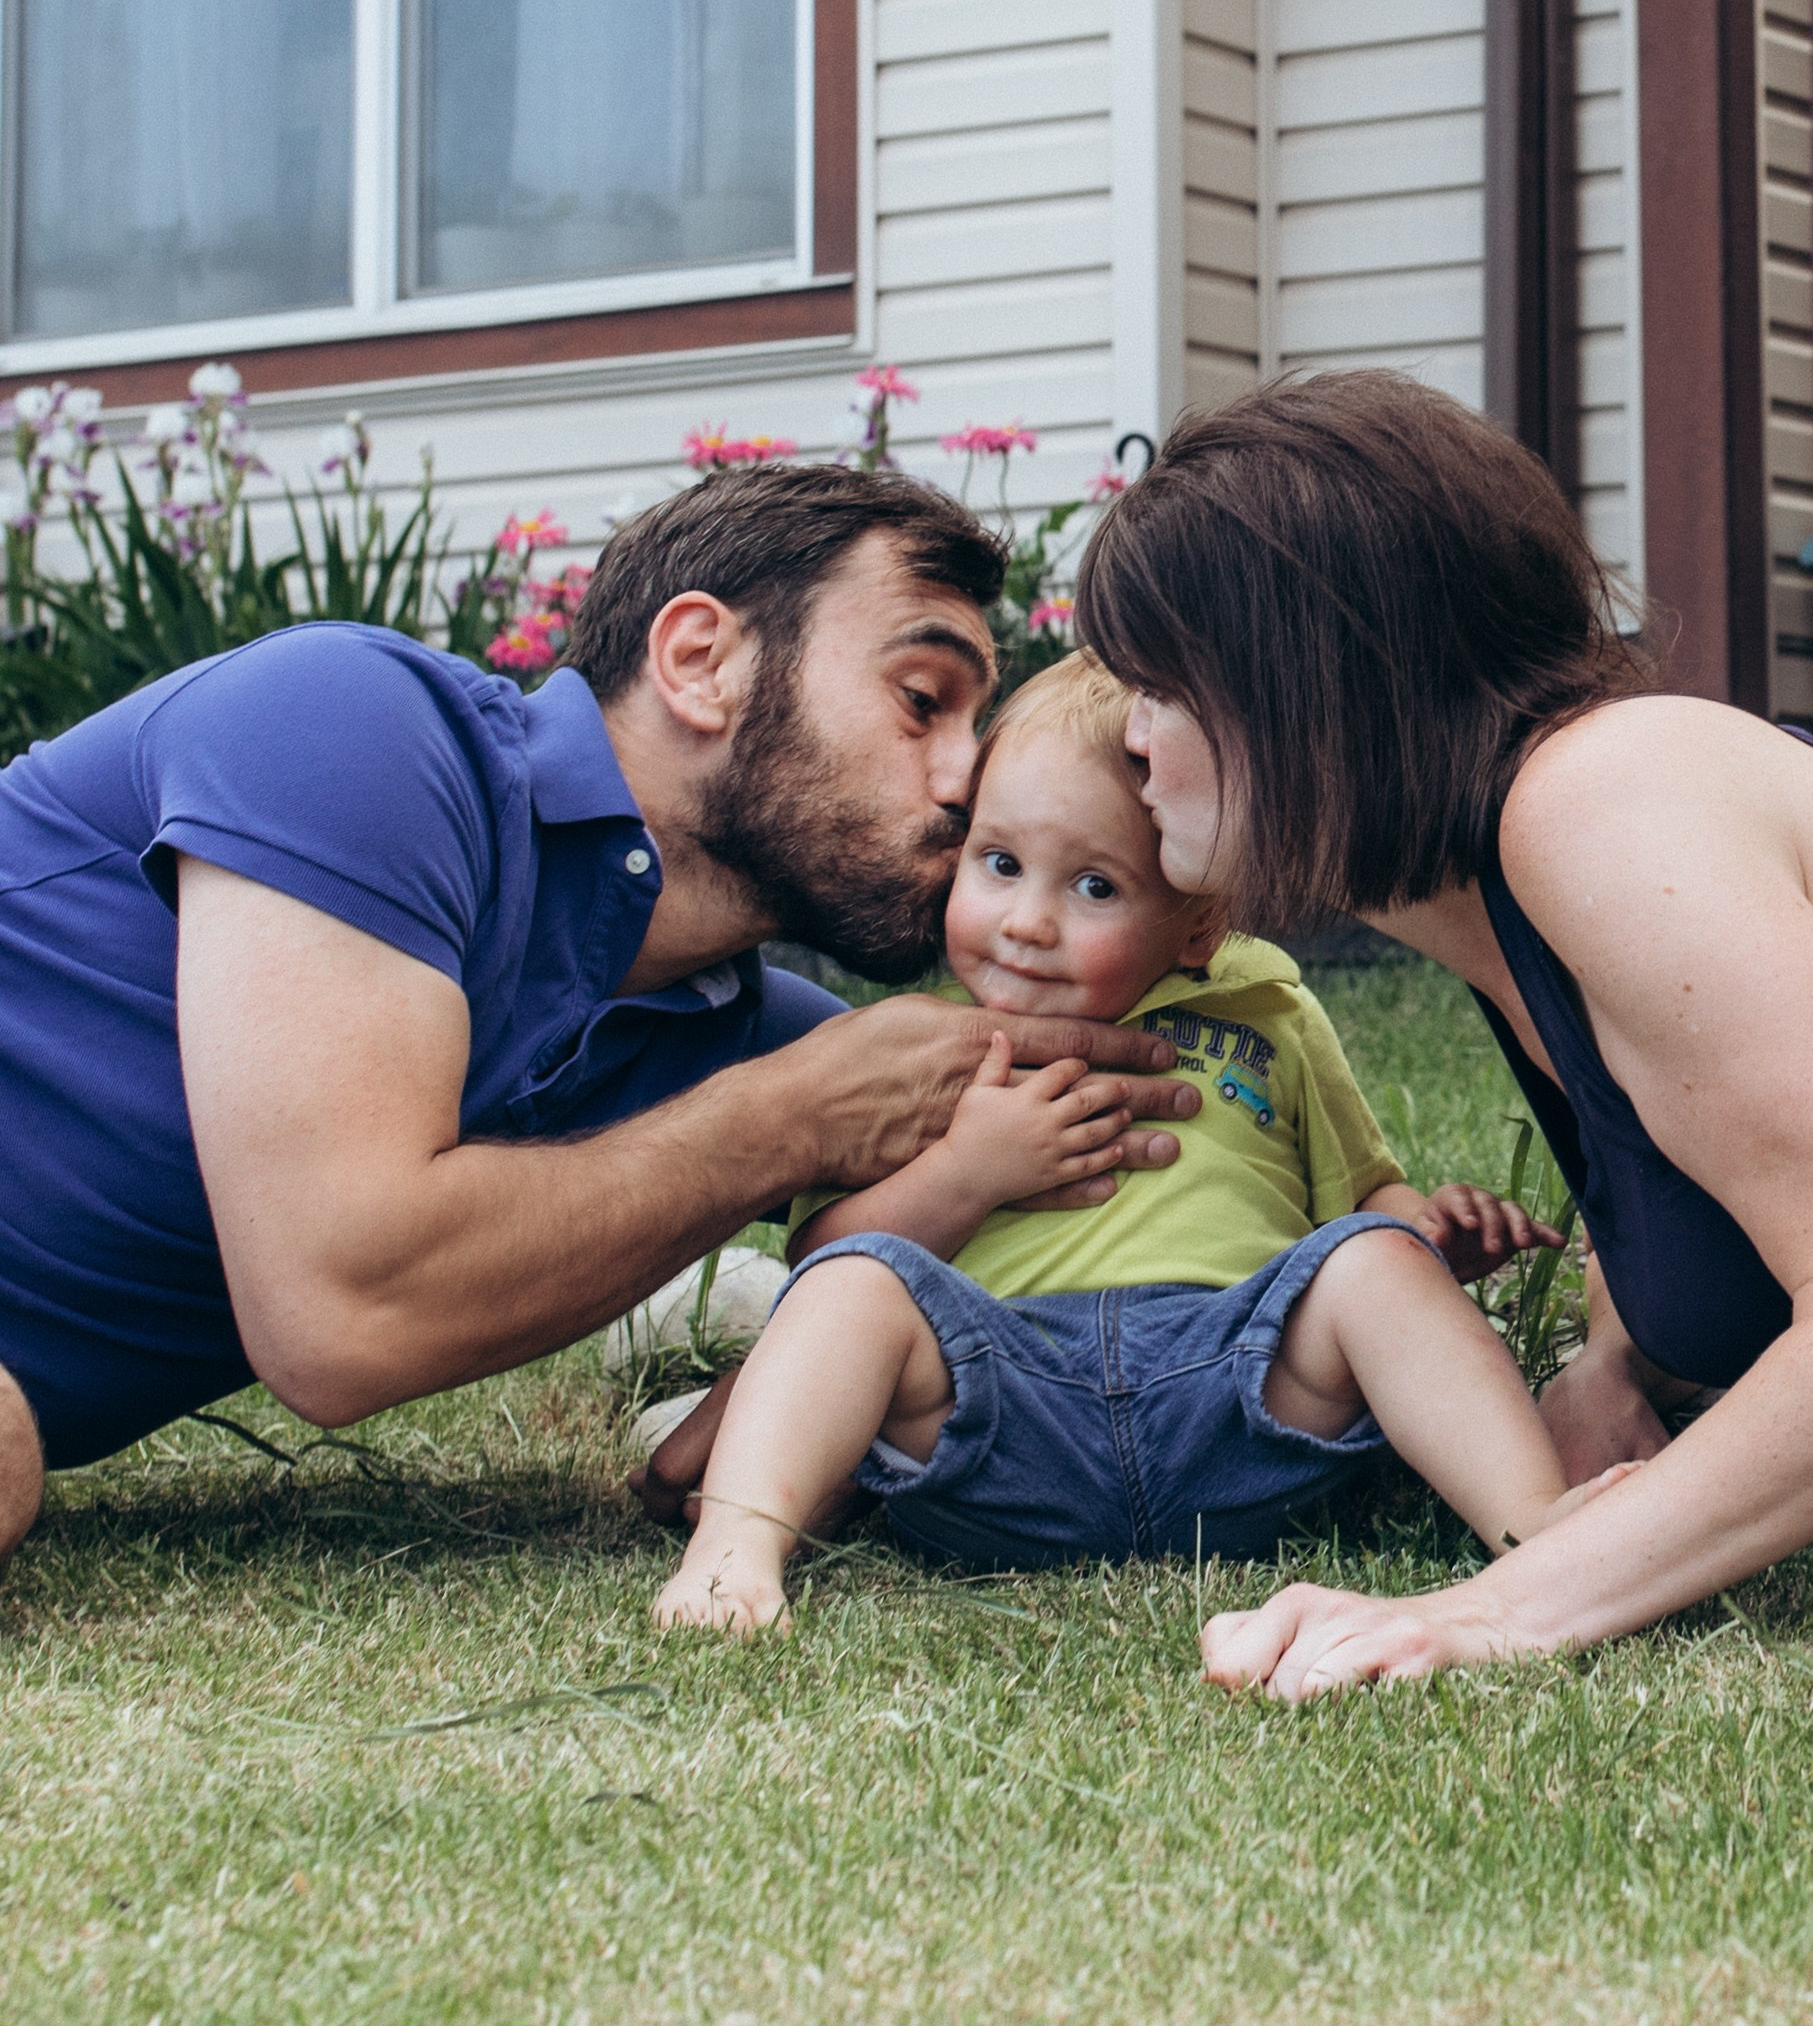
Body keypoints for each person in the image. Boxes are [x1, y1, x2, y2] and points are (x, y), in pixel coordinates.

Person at [1065, 368, 1813, 1699]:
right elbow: (1726, 1166)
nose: (1126, 733)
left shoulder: (1593, 804)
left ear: (1309, 680)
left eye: (1156, 679)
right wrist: (1610, 1353)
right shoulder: (1512, 897)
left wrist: (1487, 1609)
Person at [0, 464, 1200, 1572]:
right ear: (699, 661)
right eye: (920, 699)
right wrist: (788, 1122)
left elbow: (1070, 1250)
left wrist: (1366, 1227)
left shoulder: (758, 1044)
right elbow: (340, 1309)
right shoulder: (351, 727)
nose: (962, 780)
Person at [649, 654, 1595, 1634]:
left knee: (1373, 1264)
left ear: (1196, 921)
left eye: (1093, 886)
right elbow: (822, 1257)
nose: (1025, 924)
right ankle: (734, 1549)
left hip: (1240, 1380)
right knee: (854, 1288)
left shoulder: (1267, 1012)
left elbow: (1359, 1202)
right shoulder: (915, 1055)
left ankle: (1539, 1529)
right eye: (999, 864)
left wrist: (1428, 1235)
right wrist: (966, 1174)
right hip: (994, 1402)